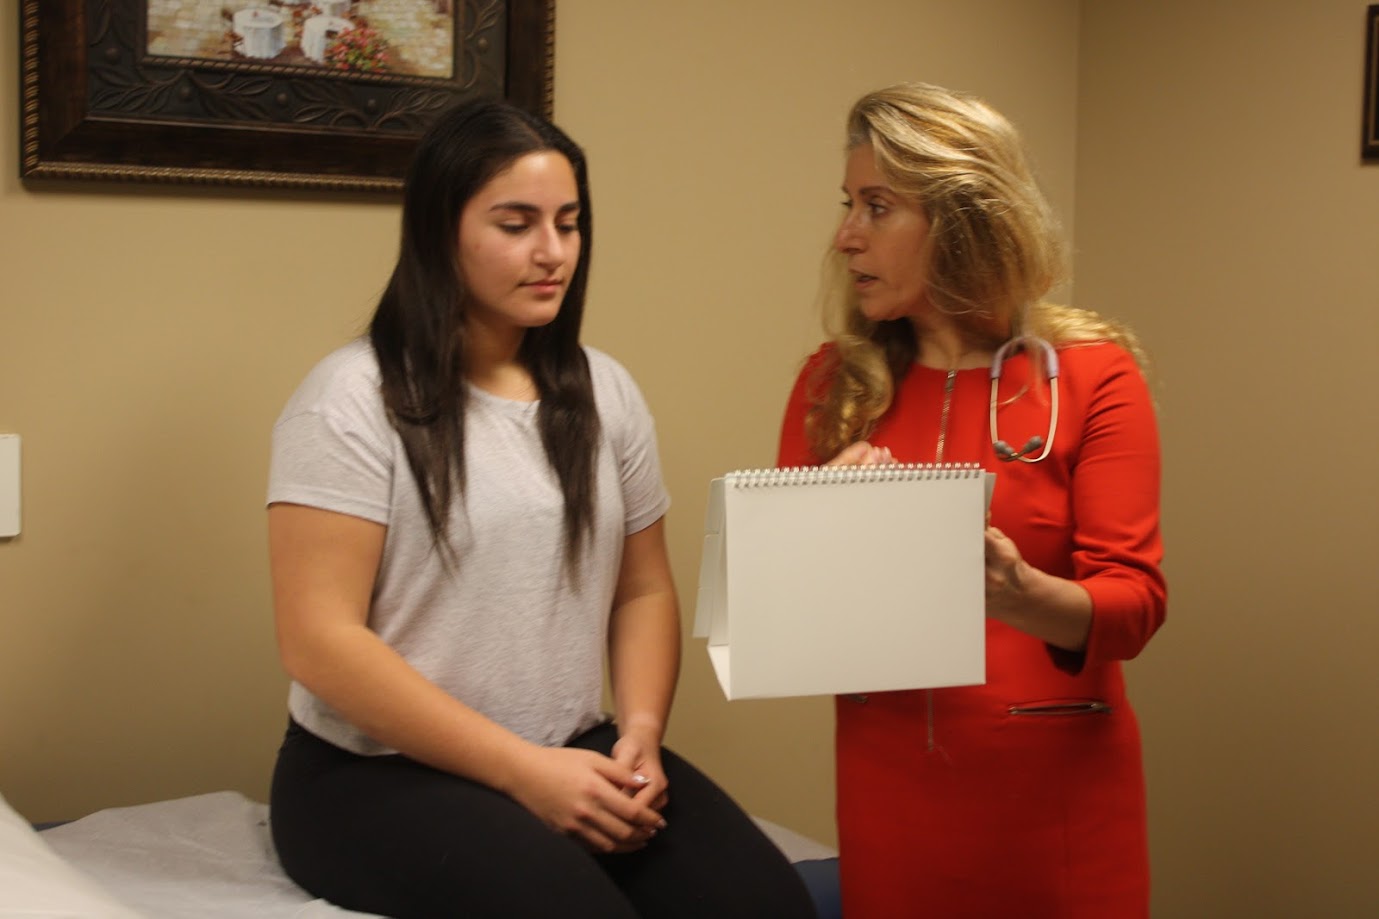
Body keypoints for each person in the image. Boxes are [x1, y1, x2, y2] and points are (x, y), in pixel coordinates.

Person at [266, 98, 818, 919]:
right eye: (515, 223)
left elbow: (642, 589)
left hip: (573, 747)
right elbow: (319, 642)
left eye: (569, 222)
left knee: (768, 907)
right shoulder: (348, 400)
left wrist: (637, 732)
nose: (551, 252)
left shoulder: (604, 392)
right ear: (438, 232)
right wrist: (521, 771)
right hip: (372, 775)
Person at [776, 82, 1167, 918]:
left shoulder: (1093, 378)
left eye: (877, 207)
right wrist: (822, 544)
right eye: (848, 205)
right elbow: (789, 638)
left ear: (964, 220)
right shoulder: (832, 387)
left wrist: (1016, 593)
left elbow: (1133, 607)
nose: (845, 236)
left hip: (1054, 805)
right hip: (893, 798)